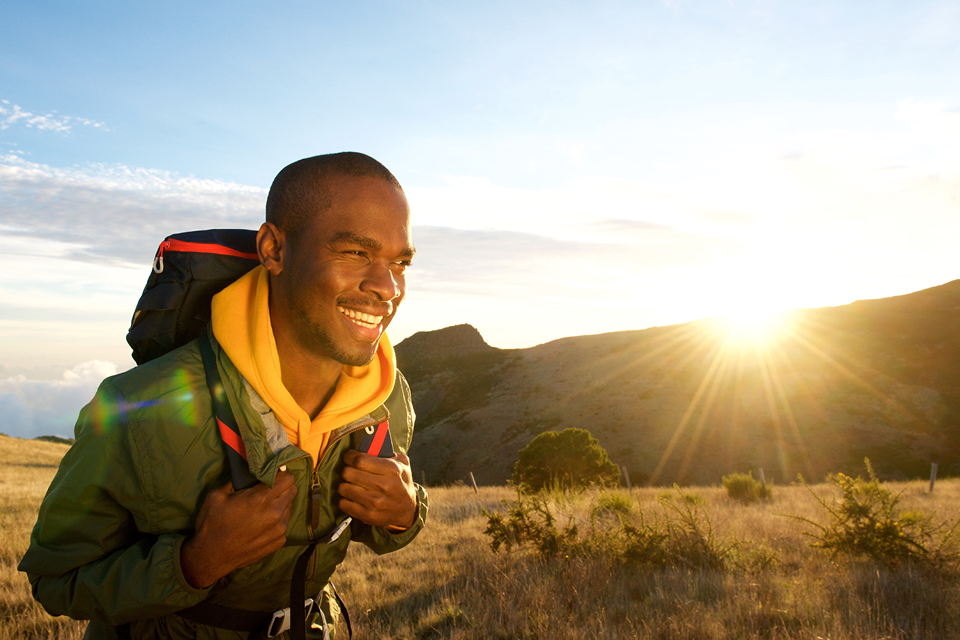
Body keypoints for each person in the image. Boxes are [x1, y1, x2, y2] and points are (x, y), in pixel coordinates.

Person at [19, 152, 428, 639]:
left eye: (399, 261)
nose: (388, 287)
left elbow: (373, 523)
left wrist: (405, 514)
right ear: (273, 249)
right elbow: (56, 579)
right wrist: (194, 564)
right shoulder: (139, 406)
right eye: (355, 253)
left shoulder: (387, 398)